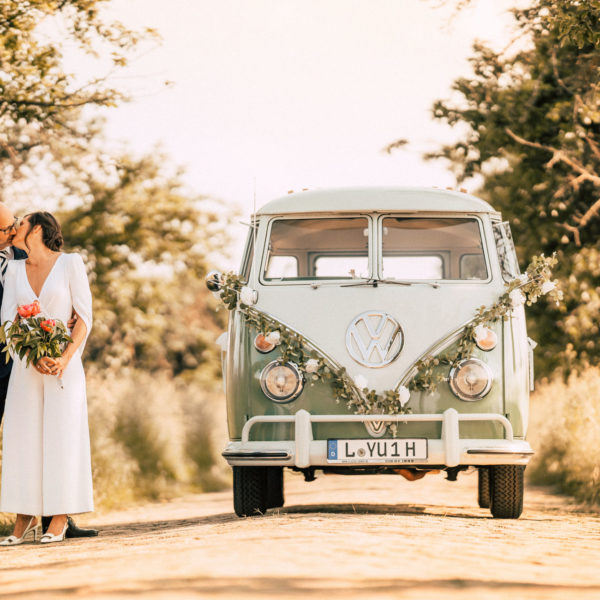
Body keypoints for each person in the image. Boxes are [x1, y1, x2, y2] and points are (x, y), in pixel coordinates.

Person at [0, 210, 97, 545]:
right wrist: (32, 354)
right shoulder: (13, 270)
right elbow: (8, 321)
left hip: (63, 369)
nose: (14, 228)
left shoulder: (71, 263)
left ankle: (58, 517)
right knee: (22, 439)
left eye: (21, 223)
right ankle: (22, 518)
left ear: (38, 228)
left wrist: (64, 358)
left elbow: (84, 316)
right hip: (27, 368)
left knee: (62, 438)